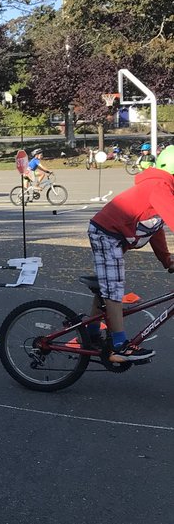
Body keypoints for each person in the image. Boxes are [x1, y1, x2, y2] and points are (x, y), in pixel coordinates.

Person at [85, 143, 174, 364]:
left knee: (106, 286)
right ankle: (120, 346)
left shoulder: (161, 186)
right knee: (113, 287)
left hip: (115, 236)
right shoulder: (159, 186)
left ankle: (91, 333)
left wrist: (166, 259)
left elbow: (155, 227)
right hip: (107, 234)